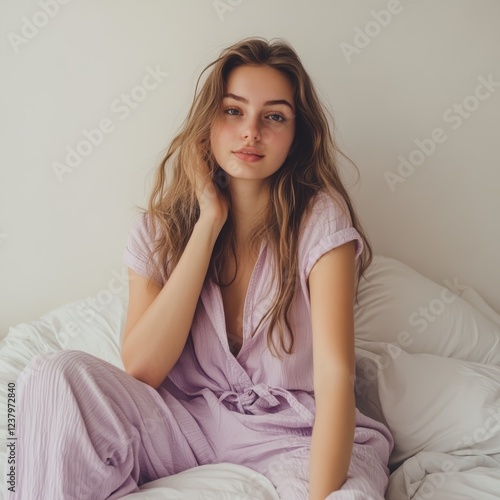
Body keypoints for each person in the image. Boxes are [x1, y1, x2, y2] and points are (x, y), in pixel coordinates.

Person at [6, 37, 393, 499]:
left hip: (291, 435)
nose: (251, 131)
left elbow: (335, 377)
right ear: (208, 120)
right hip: (181, 424)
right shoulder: (158, 232)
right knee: (49, 375)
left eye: (274, 116)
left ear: (296, 135)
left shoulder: (320, 220)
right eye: (233, 111)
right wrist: (208, 222)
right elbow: (144, 368)